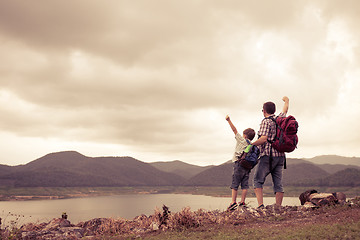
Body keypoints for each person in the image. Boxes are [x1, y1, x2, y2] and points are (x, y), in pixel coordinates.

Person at [251, 96, 289, 208]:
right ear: (274, 110)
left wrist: (251, 145)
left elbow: (263, 139)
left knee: (257, 180)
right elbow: (285, 110)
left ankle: (261, 205)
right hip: (280, 156)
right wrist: (286, 101)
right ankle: (278, 206)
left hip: (268, 156)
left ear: (264, 111)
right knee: (278, 183)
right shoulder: (280, 119)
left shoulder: (266, 122)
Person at [225, 115, 256, 211]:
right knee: (245, 185)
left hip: (239, 165)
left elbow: (234, 130)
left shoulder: (242, 140)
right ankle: (242, 202)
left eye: (243, 135)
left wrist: (229, 120)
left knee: (235, 184)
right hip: (247, 167)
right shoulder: (251, 145)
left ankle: (233, 202)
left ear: (245, 136)